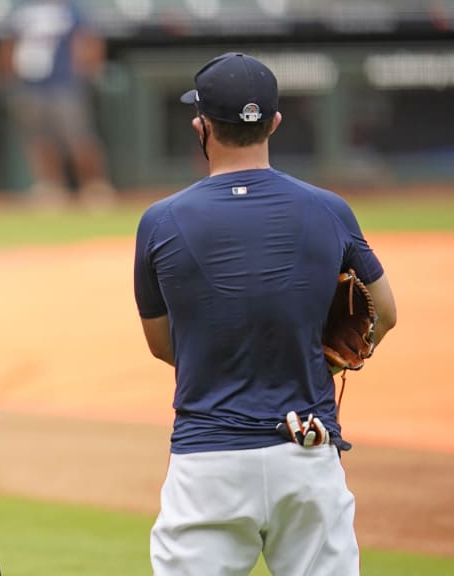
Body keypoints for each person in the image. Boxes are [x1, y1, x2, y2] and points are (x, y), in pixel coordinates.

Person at [133, 53, 397, 575]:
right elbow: (383, 314)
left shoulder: (159, 222)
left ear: (200, 125)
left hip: (207, 463)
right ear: (274, 123)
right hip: (307, 451)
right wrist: (323, 361)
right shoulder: (330, 209)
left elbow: (165, 347)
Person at [0, 0, 116, 207]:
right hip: (29, 83)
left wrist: (87, 70)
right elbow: (9, 42)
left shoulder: (71, 9)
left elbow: (89, 39)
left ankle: (94, 187)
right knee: (39, 140)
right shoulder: (23, 9)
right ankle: (50, 188)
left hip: (63, 83)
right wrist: (5, 73)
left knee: (78, 137)